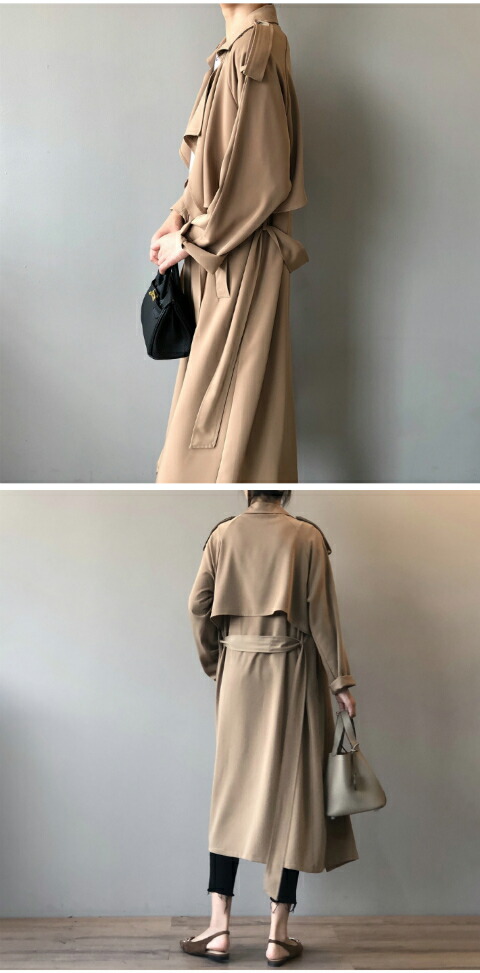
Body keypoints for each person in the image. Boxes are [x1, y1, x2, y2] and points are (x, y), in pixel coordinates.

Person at [182, 490, 358, 966]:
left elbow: (198, 605)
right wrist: (340, 682)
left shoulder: (223, 535)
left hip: (238, 672)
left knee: (230, 794)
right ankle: (277, 936)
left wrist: (217, 663)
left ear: (246, 489)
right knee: (291, 798)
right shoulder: (306, 537)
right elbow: (324, 617)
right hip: (293, 673)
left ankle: (218, 928)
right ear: (286, 490)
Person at [150, 5, 308, 483]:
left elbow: (261, 179)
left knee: (209, 437)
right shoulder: (232, 49)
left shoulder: (258, 45)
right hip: (214, 261)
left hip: (235, 264)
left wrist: (191, 238)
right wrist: (177, 215)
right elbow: (214, 163)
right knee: (234, 430)